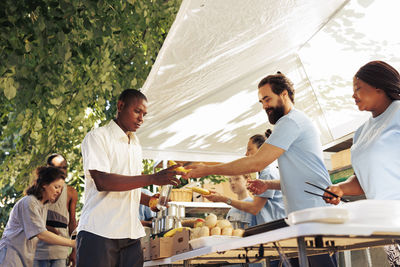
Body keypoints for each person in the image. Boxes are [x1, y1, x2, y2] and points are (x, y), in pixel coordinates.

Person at [184, 72, 336, 266]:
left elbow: (256, 162)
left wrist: (207, 169)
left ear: (284, 94)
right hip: (304, 219)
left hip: (314, 217)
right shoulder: (293, 122)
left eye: (267, 99)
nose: (264, 106)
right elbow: (302, 178)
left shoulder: (291, 122)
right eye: (261, 102)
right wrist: (268, 184)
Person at [77, 89, 184, 267]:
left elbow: (129, 186)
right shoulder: (97, 137)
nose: (141, 118)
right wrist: (152, 178)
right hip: (99, 232)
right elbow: (102, 182)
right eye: (137, 111)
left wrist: (149, 200)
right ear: (120, 106)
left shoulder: (135, 144)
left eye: (144, 114)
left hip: (131, 235)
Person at [323, 60, 400, 266]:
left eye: (358, 88)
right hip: (388, 225)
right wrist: (340, 188)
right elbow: (363, 178)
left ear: (379, 87)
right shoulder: (361, 132)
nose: (353, 95)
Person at [204, 131, 285, 226]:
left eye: (249, 150)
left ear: (261, 150)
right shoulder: (266, 172)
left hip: (275, 229)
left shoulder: (268, 173)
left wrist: (224, 199)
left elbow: (254, 208)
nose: (246, 154)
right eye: (230, 180)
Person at [0, 166, 76, 267]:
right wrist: (73, 243)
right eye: (56, 187)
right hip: (11, 257)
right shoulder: (29, 202)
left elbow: (35, 227)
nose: (59, 192)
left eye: (61, 189)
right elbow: (41, 234)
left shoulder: (42, 206)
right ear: (44, 184)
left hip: (24, 257)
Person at [34, 154, 78, 267]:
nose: (63, 171)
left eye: (65, 167)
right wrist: (48, 228)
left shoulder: (71, 192)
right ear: (48, 167)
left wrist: (74, 251)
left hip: (60, 250)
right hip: (38, 248)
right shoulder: (38, 190)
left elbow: (72, 223)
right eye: (59, 168)